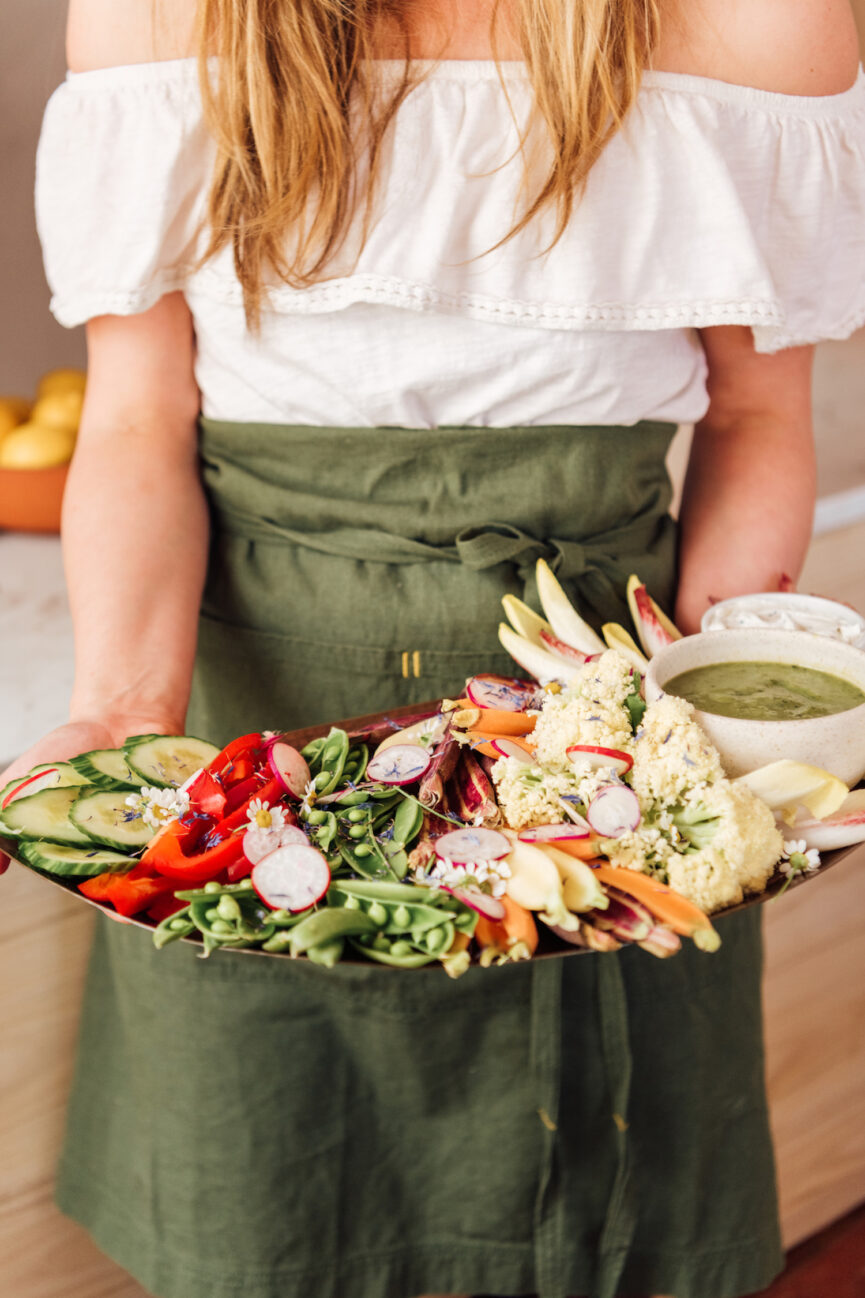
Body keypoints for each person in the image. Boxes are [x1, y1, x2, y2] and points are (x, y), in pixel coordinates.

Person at [2, 0, 864, 1295]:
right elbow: (136, 417)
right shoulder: (155, 16)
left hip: (597, 696)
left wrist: (700, 718)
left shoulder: (764, 22)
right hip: (257, 696)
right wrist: (122, 710)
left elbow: (754, 412)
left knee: (601, 1189)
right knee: (265, 1180)